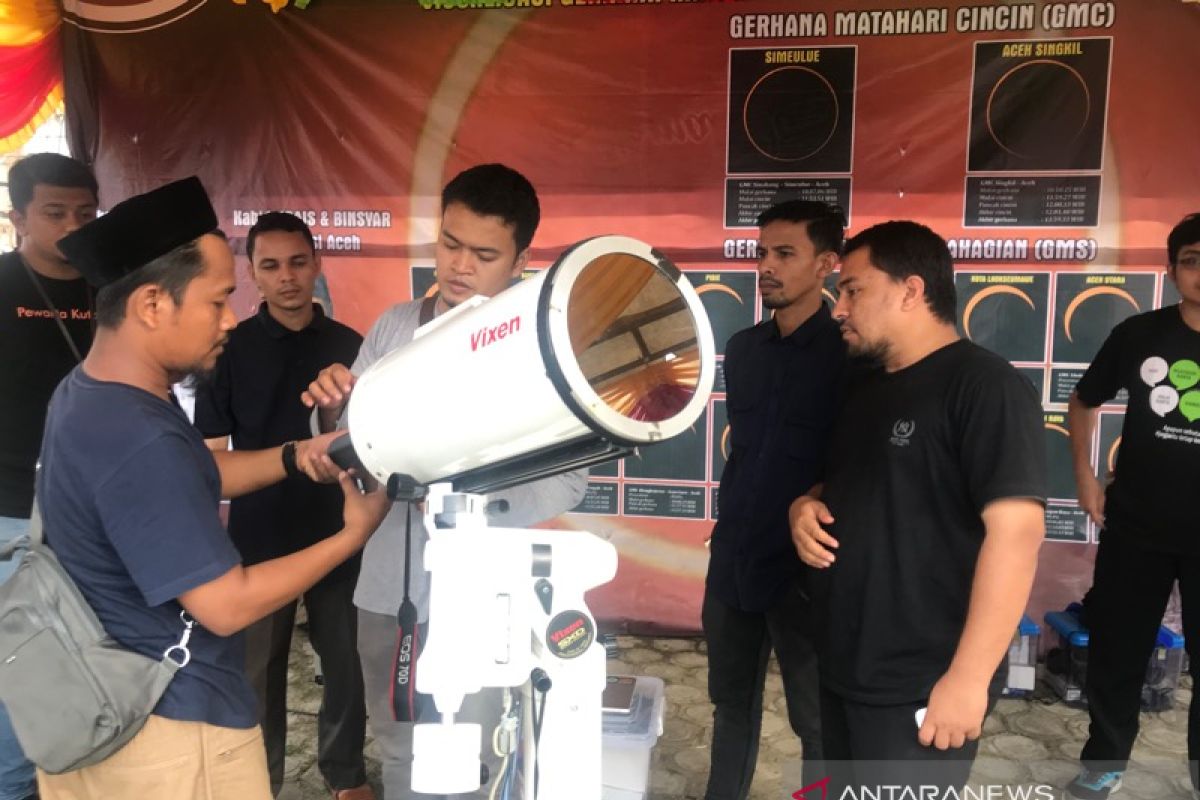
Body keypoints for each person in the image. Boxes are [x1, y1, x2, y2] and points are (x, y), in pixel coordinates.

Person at [33, 177, 390, 800]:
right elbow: (226, 604)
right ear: (151, 305)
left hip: (110, 710)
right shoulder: (136, 436)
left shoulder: (96, 393)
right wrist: (354, 533)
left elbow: (198, 472)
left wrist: (292, 454)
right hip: (171, 739)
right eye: (218, 299)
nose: (229, 318)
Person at [303, 163, 587, 798]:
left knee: (483, 753)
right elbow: (349, 442)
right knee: (401, 748)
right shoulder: (393, 327)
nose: (460, 265)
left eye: (484, 254)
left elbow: (568, 484)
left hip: (488, 595)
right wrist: (330, 410)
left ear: (520, 259)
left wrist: (468, 496)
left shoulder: (543, 348)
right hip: (386, 590)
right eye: (450, 243)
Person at [789, 220, 1045, 791]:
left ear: (910, 290)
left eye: (853, 289)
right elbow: (853, 487)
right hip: (844, 663)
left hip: (921, 680)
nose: (839, 308)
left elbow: (1017, 535)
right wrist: (804, 507)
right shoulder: (864, 387)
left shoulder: (986, 388)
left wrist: (968, 679)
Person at [192, 213, 371, 800]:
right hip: (257, 534)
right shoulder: (229, 350)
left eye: (298, 262)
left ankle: (345, 775)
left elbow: (371, 443)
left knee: (345, 660)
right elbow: (211, 458)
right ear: (252, 275)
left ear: (317, 263)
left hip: (337, 530)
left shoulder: (352, 346)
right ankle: (258, 782)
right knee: (256, 672)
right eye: (271, 266)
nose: (287, 277)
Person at [701, 200, 845, 799]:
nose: (767, 266)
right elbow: (749, 453)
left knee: (815, 721)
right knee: (730, 702)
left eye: (785, 254)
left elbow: (854, 464)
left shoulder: (850, 353)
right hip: (735, 555)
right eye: (762, 253)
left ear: (827, 264)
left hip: (806, 567)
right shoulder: (744, 349)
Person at [1065, 213, 1200, 800]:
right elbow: (1082, 401)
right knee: (1118, 651)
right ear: (1172, 270)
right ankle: (1105, 760)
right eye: (1192, 259)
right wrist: (1087, 478)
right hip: (1137, 524)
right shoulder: (1139, 334)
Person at [0, 152, 99, 800]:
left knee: (87, 666)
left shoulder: (112, 286)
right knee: (18, 672)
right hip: (9, 513)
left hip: (93, 514)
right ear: (17, 218)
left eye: (85, 214)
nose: (73, 226)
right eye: (55, 213)